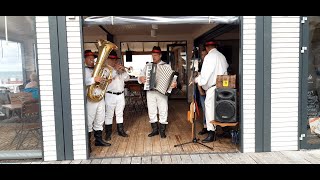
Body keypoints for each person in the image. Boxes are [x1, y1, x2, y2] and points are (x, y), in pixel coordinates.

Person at [138, 46, 177, 138]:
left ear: (160, 55)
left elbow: (172, 79)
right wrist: (141, 78)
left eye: (155, 55)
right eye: (152, 55)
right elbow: (140, 77)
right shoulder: (148, 66)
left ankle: (162, 131)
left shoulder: (166, 66)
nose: (153, 57)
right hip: (150, 91)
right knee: (152, 110)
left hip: (162, 92)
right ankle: (154, 130)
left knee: (163, 110)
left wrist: (174, 84)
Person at [195, 40, 229, 143]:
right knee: (221, 109)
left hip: (213, 87)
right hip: (223, 87)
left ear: (207, 48)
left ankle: (211, 133)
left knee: (209, 110)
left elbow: (205, 75)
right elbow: (226, 69)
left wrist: (198, 80)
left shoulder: (209, 57)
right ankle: (225, 129)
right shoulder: (222, 56)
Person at [84, 50, 111, 152]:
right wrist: (93, 80)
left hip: (100, 96)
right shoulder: (83, 70)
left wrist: (105, 80)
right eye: (89, 58)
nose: (92, 60)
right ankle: (87, 144)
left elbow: (103, 80)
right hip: (90, 98)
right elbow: (82, 81)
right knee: (89, 120)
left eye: (92, 58)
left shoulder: (98, 69)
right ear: (85, 59)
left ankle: (98, 140)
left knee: (100, 118)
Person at [104, 50, 129, 141]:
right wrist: (115, 70)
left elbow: (127, 79)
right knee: (109, 115)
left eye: (115, 60)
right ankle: (108, 133)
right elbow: (107, 78)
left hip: (121, 94)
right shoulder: (105, 69)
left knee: (120, 114)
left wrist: (124, 71)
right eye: (112, 59)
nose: (114, 61)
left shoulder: (119, 69)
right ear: (107, 60)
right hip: (110, 95)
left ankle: (120, 131)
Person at [197, 48, 208, 135]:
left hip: (210, 90)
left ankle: (211, 127)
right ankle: (205, 127)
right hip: (203, 91)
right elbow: (198, 78)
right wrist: (200, 90)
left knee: (210, 109)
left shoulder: (210, 64)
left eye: (205, 55)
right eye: (202, 55)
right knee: (204, 109)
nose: (203, 57)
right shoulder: (201, 65)